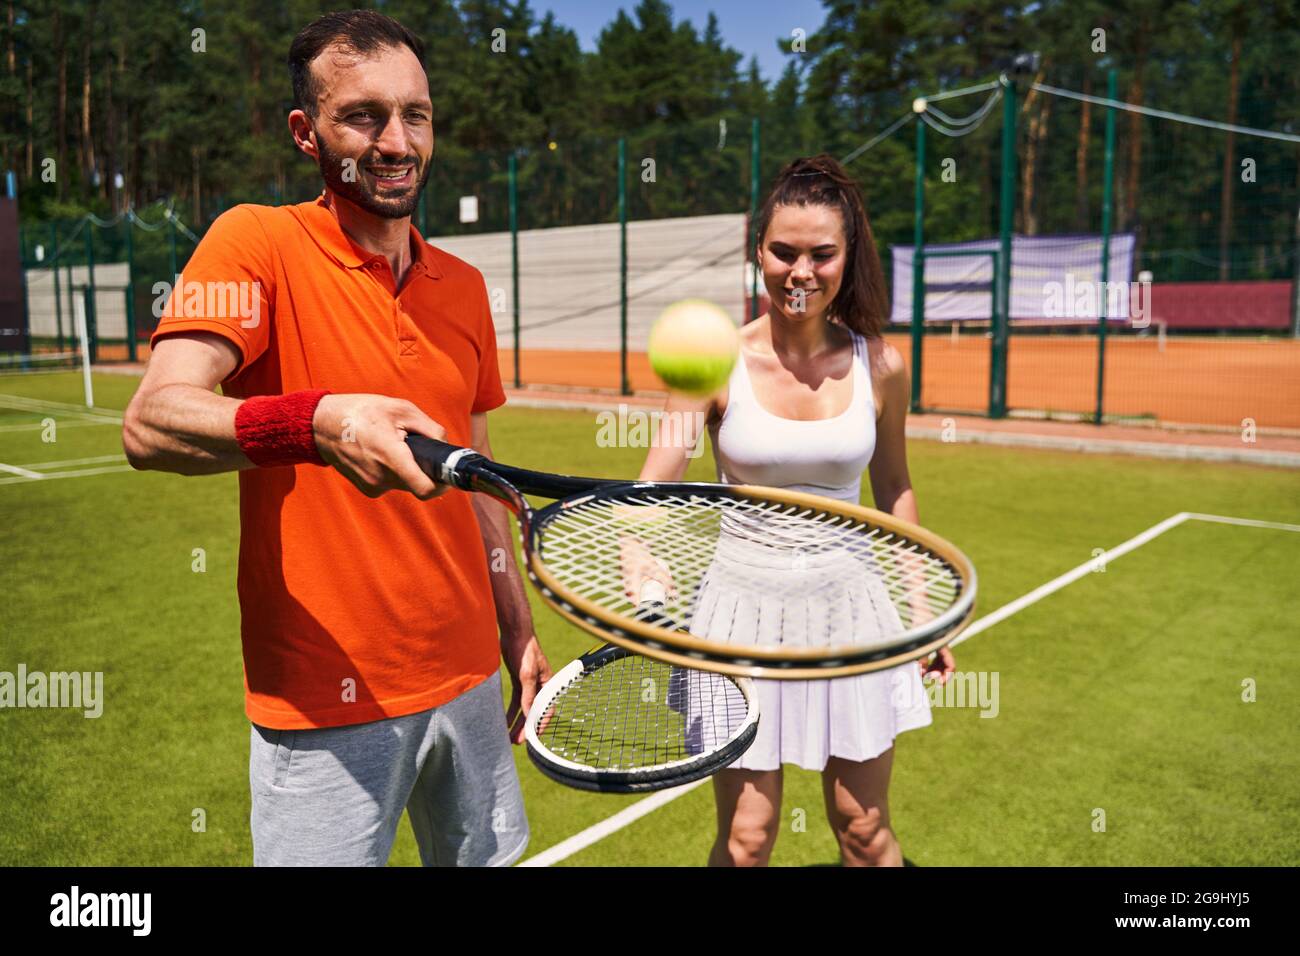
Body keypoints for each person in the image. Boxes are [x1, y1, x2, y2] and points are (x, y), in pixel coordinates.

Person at [122, 9, 550, 867]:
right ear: (306, 133)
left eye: (416, 115)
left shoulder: (462, 286)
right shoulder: (258, 242)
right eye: (363, 116)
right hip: (323, 699)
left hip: (468, 679)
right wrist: (314, 421)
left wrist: (515, 627)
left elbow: (481, 482)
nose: (397, 141)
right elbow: (152, 420)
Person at [635, 154, 955, 866]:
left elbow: (894, 487)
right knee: (747, 841)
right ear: (759, 254)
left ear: (848, 257)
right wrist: (640, 566)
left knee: (863, 832)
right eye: (784, 252)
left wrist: (921, 606)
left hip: (851, 611)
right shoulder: (713, 362)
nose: (800, 272)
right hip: (739, 614)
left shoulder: (882, 366)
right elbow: (653, 488)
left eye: (821, 254)